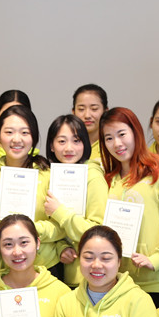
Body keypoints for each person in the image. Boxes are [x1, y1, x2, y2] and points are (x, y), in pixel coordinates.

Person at [100, 107, 159, 307]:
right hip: (118, 284)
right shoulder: (108, 179)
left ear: (136, 132)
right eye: (108, 138)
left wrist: (157, 259)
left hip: (157, 282)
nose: (117, 143)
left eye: (122, 134)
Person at [0, 104, 64, 271]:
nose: (17, 139)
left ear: (34, 136)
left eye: (25, 133)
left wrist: (29, 230)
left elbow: (61, 226)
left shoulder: (48, 174)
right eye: (9, 132)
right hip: (0, 267)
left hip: (45, 265)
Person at [42, 114, 108, 287]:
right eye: (61, 141)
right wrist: (61, 247)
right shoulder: (50, 176)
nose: (69, 148)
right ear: (51, 145)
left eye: (76, 141)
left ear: (85, 143)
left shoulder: (93, 177)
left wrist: (59, 212)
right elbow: (56, 228)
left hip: (88, 275)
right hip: (58, 271)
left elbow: (97, 230)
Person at [72, 84, 108, 162]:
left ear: (105, 111)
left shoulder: (112, 146)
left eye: (94, 109)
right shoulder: (66, 146)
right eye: (81, 109)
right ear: (73, 112)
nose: (87, 115)